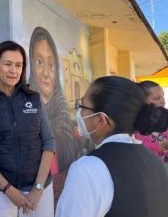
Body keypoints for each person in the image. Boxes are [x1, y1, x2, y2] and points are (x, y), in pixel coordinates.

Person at [55, 76, 168, 217]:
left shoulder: (88, 169)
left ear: (100, 120)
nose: (79, 114)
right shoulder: (154, 160)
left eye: (82, 106)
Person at [0, 41, 55, 217]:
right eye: (7, 64)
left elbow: (48, 141)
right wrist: (8, 189)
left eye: (18, 65)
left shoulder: (34, 99)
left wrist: (38, 187)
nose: (13, 70)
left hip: (39, 189)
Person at [29, 27, 75, 175]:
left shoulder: (60, 105)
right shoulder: (24, 102)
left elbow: (66, 145)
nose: (46, 73)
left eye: (51, 65)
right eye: (39, 62)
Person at [135, 80, 168, 163]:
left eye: (163, 96)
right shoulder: (133, 127)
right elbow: (133, 152)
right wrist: (161, 146)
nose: (163, 101)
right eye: (157, 98)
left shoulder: (165, 122)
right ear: (142, 101)